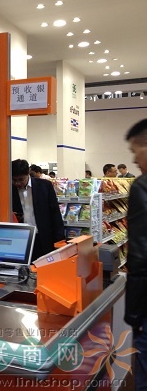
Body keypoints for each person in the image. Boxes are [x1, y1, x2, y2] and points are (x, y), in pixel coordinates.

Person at [123, 119, 147, 387]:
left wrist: (133, 315)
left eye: (135, 150)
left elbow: (141, 257)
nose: (134, 159)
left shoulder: (142, 187)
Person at [12, 159, 65, 261]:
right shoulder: (9, 190)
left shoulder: (45, 186)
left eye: (21, 179)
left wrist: (60, 239)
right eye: (14, 180)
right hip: (20, 239)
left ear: (28, 173)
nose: (18, 183)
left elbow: (55, 213)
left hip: (42, 236)